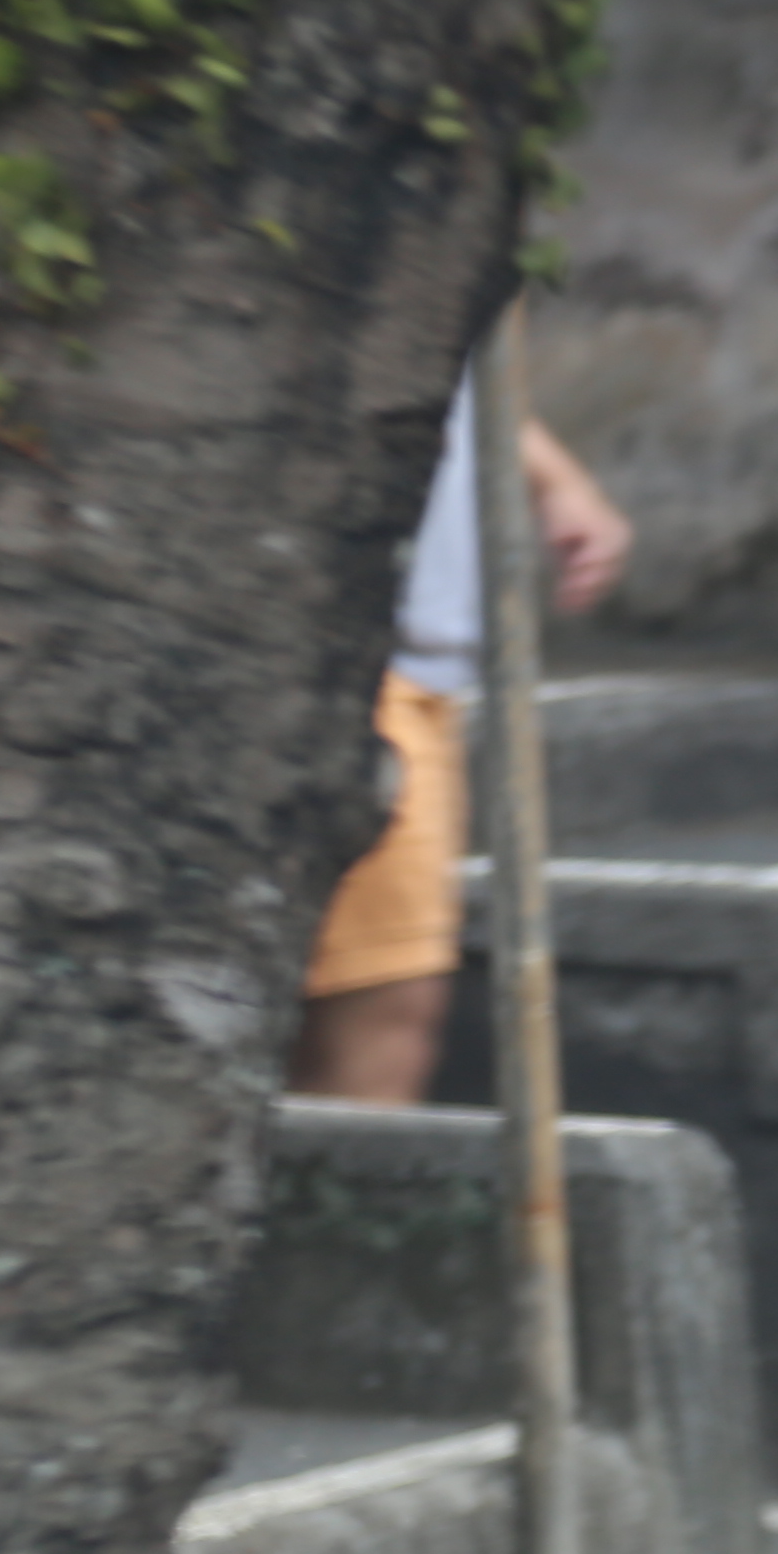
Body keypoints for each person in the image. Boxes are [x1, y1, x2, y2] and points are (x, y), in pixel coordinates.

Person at [288, 386, 633, 1104]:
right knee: (384, 1008)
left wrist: (556, 480)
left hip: (416, 662)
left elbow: (462, 354)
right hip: (344, 652)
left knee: (382, 1007)